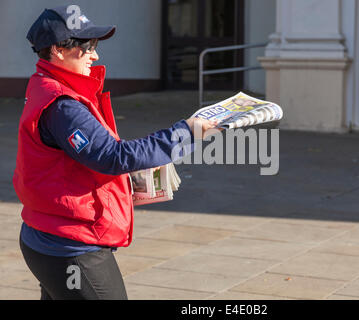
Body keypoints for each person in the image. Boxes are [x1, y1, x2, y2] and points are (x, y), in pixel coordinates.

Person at [13, 5, 216, 300]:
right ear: (57, 49)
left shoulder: (50, 89)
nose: (95, 55)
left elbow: (76, 161)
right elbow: (112, 156)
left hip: (48, 239)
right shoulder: (62, 105)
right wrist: (184, 133)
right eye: (87, 46)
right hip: (70, 248)